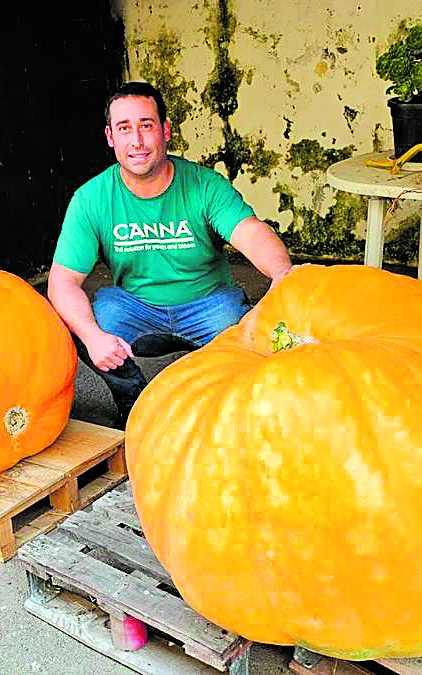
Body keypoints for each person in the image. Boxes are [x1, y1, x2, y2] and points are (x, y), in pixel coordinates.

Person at [48, 81, 292, 428]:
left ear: (165, 130)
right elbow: (62, 282)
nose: (137, 141)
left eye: (146, 126)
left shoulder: (204, 185)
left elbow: (250, 232)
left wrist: (282, 274)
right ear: (110, 137)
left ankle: (229, 412)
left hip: (209, 305)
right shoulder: (91, 199)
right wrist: (92, 336)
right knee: (82, 322)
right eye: (124, 128)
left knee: (257, 336)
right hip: (136, 307)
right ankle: (133, 405)